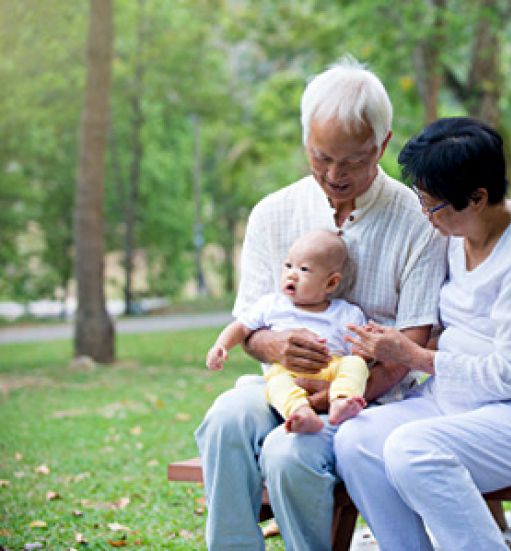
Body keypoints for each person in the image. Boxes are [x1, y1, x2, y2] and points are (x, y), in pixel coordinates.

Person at [194, 57, 447, 551]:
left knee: (290, 453)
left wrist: (339, 400)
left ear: (384, 144)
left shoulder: (417, 222)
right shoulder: (273, 213)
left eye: (353, 160)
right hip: (281, 385)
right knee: (225, 418)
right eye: (321, 156)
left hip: (365, 400)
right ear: (306, 139)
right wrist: (274, 346)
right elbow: (251, 329)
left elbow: (412, 344)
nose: (334, 173)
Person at [335, 117, 511, 550]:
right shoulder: (456, 233)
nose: (425, 214)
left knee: (412, 450)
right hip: (456, 404)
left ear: (477, 198)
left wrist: (414, 357)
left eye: (433, 205)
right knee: (356, 440)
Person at [205, 230, 371, 433]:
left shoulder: (346, 313)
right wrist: (220, 346)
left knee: (355, 364)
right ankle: (299, 412)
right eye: (288, 265)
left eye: (304, 269)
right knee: (276, 383)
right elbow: (240, 327)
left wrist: (366, 352)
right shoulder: (271, 305)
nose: (292, 273)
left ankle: (341, 401)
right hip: (286, 371)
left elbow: (359, 351)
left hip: (331, 371)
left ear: (331, 283)